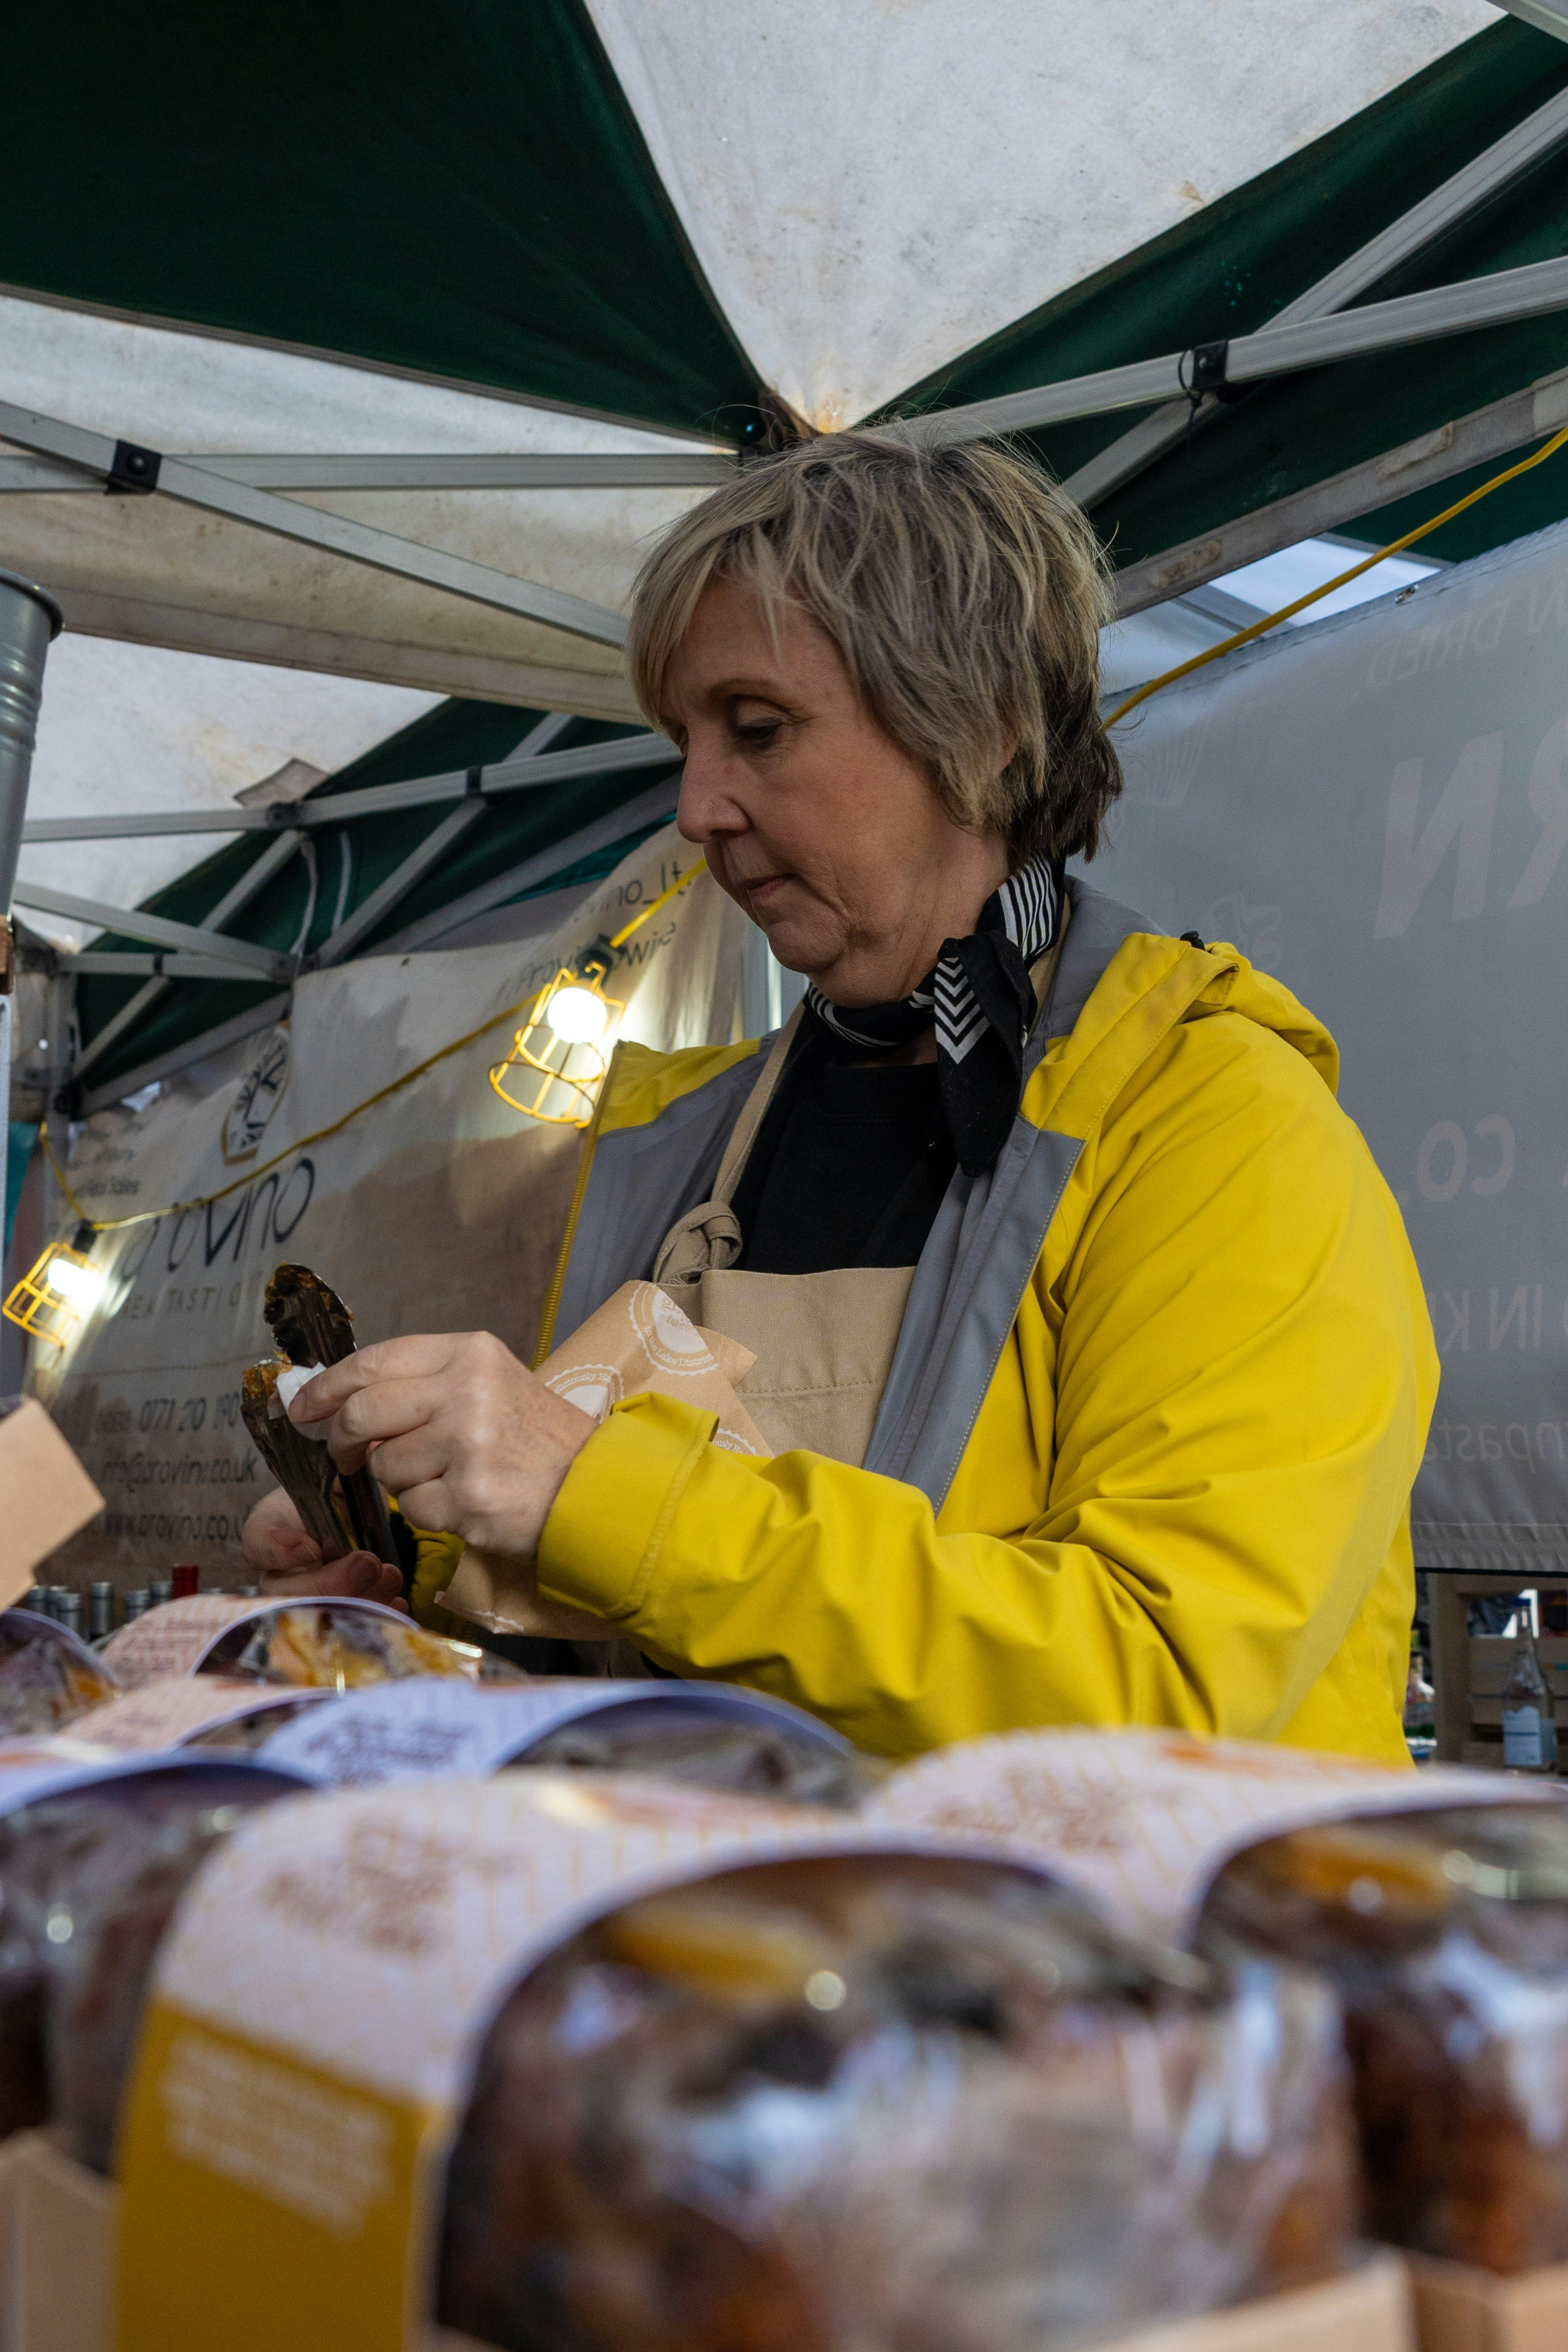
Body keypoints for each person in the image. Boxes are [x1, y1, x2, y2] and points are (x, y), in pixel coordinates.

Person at [242, 430, 1436, 1763]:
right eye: (688, 742)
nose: (698, 807)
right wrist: (428, 1557)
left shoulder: (1215, 1116)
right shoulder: (683, 1139)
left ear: (979, 726)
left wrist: (586, 1487)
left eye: (759, 729)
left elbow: (1162, 1682)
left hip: (1115, 1958)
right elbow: (649, 1617)